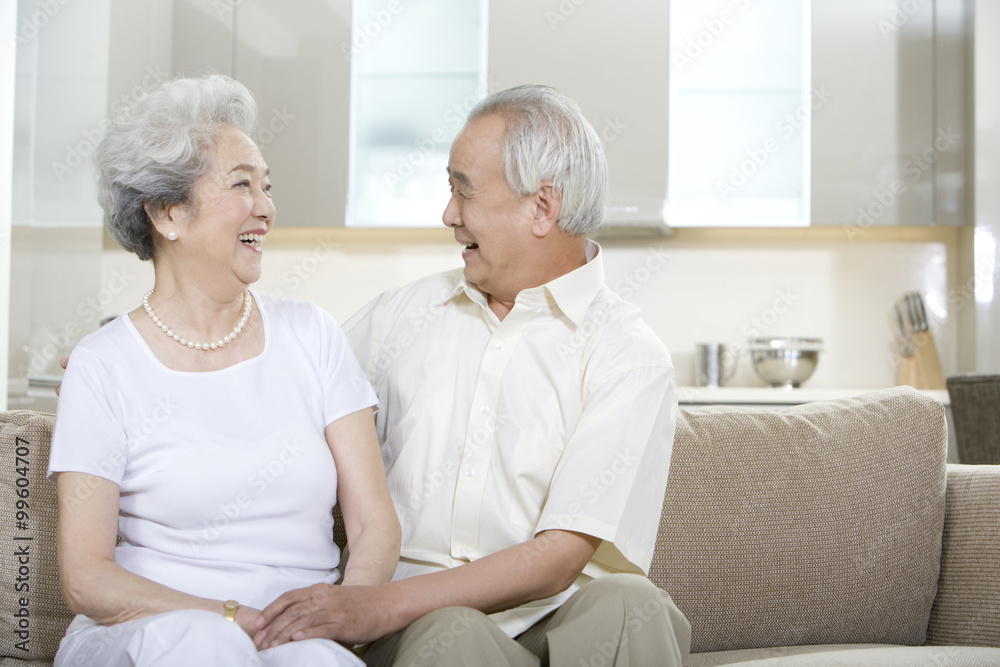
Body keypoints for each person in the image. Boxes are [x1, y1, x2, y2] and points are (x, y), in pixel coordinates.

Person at [252, 85, 691, 666]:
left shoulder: (627, 354)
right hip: (419, 634)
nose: (448, 215)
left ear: (542, 207)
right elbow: (276, 398)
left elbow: (560, 556)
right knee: (453, 634)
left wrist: (373, 606)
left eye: (464, 189)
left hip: (553, 625)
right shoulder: (399, 318)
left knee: (635, 605)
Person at [47, 74, 400, 667]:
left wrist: (339, 616)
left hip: (299, 637)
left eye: (266, 186)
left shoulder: (311, 335)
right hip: (154, 630)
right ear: (168, 214)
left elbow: (374, 526)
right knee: (204, 647)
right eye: (243, 185)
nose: (267, 207)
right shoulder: (102, 366)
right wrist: (235, 619)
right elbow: (85, 577)